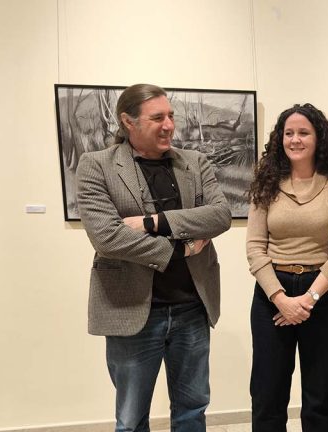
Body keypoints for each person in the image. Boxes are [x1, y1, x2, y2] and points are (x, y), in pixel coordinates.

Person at [76, 83, 232, 431]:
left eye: (171, 116)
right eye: (158, 117)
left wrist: (154, 222)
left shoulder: (195, 162)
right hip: (131, 310)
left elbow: (220, 215)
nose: (169, 125)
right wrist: (180, 247)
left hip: (192, 307)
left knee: (192, 409)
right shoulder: (96, 166)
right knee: (131, 419)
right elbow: (107, 237)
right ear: (128, 122)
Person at [246, 103, 328, 431]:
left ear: (319, 138)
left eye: (303, 132)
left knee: (320, 398)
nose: (295, 139)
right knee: (267, 395)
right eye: (288, 133)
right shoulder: (265, 182)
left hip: (322, 293)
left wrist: (309, 299)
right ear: (280, 139)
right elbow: (254, 248)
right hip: (271, 295)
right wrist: (281, 300)